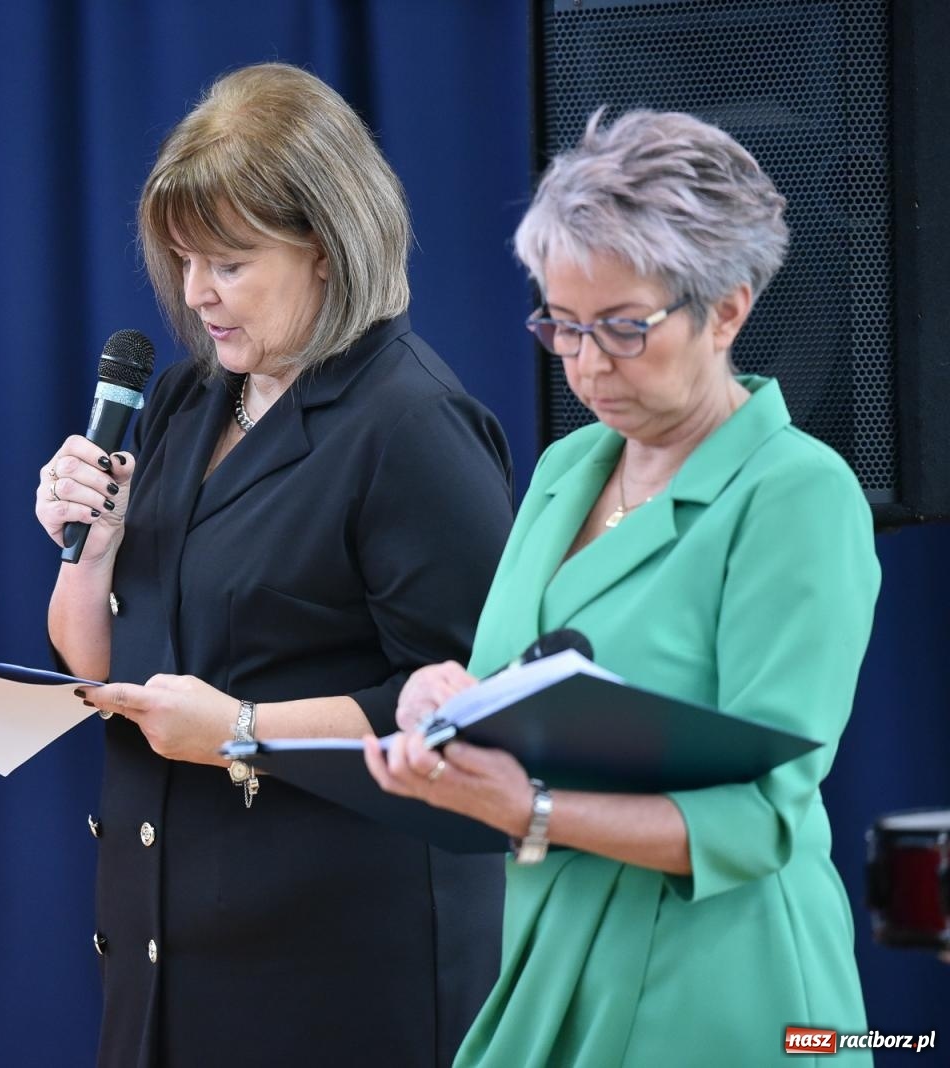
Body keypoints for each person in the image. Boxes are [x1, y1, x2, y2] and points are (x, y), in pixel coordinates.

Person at [365, 109, 880, 1066]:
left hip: (728, 986)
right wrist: (448, 704)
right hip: (552, 945)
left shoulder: (798, 496)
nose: (587, 363)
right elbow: (521, 701)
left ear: (727, 308)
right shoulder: (566, 468)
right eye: (560, 325)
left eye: (623, 328)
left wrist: (531, 811)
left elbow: (763, 817)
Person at [37, 63, 515, 1065]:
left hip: (335, 975)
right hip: (166, 963)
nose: (195, 294)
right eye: (181, 261)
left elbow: (475, 711)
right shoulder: (184, 401)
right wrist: (92, 555)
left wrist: (246, 734)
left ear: (327, 251)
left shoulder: (411, 426)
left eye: (229, 264)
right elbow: (103, 673)